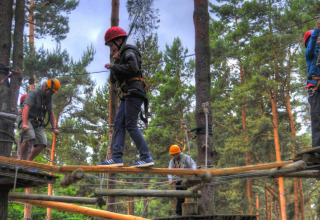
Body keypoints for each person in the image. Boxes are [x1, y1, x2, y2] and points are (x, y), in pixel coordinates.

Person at [98, 26, 154, 167]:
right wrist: (115, 64)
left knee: (129, 123)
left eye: (111, 45)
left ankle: (146, 157)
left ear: (119, 40)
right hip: (127, 94)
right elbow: (113, 80)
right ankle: (116, 157)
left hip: (134, 92)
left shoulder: (129, 51)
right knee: (118, 124)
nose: (111, 49)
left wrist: (115, 66)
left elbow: (133, 68)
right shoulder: (121, 57)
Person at [19, 79, 60, 162]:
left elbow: (51, 113)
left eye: (53, 93)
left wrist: (54, 128)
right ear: (46, 87)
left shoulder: (48, 98)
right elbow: (26, 108)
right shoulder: (34, 93)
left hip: (37, 122)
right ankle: (19, 159)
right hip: (25, 117)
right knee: (30, 136)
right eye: (51, 92)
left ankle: (29, 162)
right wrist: (24, 123)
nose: (52, 94)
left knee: (42, 143)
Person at [304, 17, 320, 148]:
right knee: (316, 117)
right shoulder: (309, 53)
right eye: (315, 37)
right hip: (314, 88)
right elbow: (313, 42)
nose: (318, 38)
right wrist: (317, 29)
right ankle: (317, 147)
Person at [168, 145, 197, 216]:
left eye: (174, 155)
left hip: (188, 178)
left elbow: (193, 166)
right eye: (172, 155)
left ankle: (180, 212)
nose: (173, 156)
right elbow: (169, 170)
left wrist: (193, 174)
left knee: (187, 193)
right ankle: (179, 212)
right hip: (178, 179)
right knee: (179, 195)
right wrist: (170, 179)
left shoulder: (186, 157)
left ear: (178, 153)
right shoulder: (172, 161)